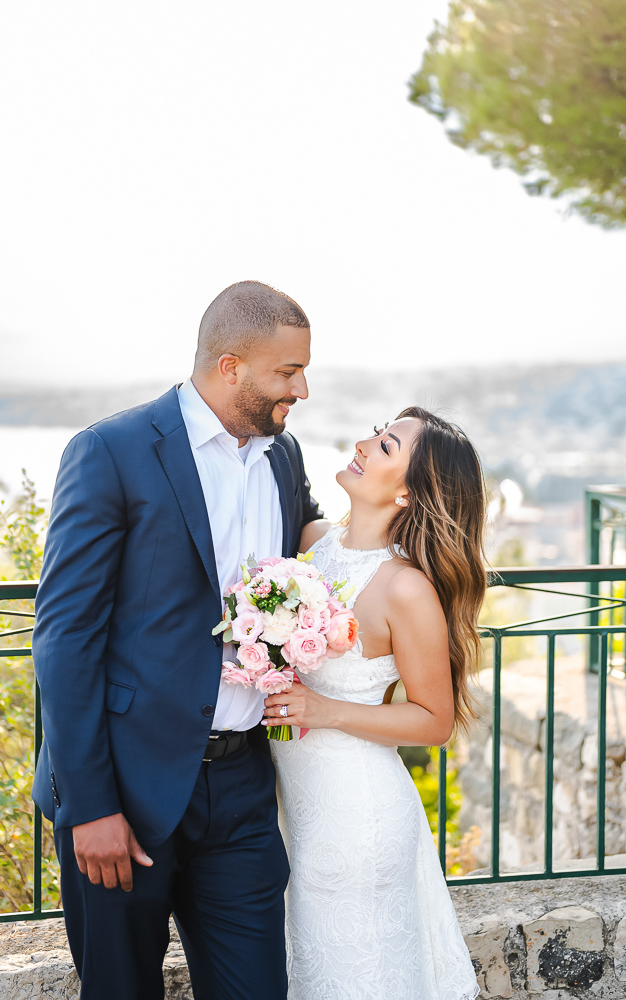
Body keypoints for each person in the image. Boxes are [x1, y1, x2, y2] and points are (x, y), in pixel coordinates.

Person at [31, 280, 323, 1000]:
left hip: (242, 788)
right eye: (287, 372)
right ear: (230, 367)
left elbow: (319, 544)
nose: (303, 389)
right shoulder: (112, 449)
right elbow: (64, 638)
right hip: (123, 793)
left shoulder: (282, 458)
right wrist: (90, 806)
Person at [265, 408, 485, 1000]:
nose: (363, 443)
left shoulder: (404, 588)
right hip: (294, 812)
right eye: (375, 432)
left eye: (385, 445)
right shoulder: (313, 547)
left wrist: (322, 711)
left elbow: (434, 720)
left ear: (409, 491)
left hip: (357, 819)